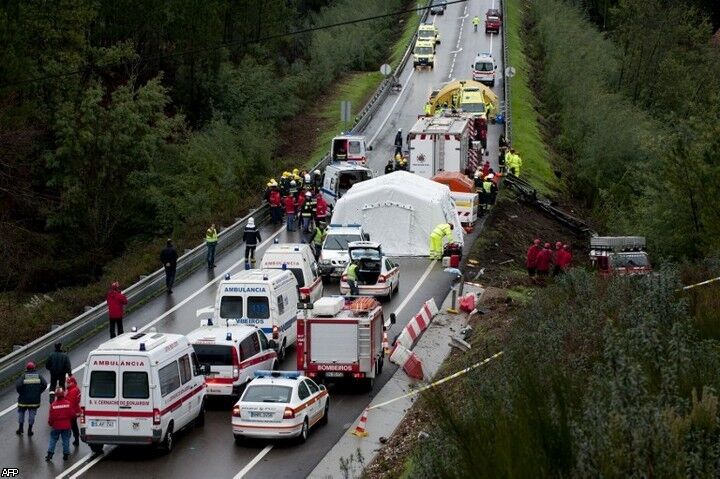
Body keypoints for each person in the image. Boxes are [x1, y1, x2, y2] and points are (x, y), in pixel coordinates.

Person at [16, 362, 47, 436]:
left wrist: (21, 393)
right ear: (34, 368)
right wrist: (39, 392)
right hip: (34, 400)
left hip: (23, 400)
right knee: (32, 415)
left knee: (21, 413)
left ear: (27, 368)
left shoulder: (23, 376)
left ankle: (20, 428)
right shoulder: (38, 376)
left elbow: (18, 385)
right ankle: (29, 430)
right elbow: (45, 384)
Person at [46, 388, 74, 461]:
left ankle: (50, 454)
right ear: (63, 394)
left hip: (56, 426)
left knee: (53, 439)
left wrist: (50, 423)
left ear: (56, 395)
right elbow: (72, 414)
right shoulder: (68, 403)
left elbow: (51, 417)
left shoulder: (53, 405)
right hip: (66, 425)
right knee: (66, 439)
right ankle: (66, 454)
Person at [65, 376, 81, 446]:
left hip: (71, 411)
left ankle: (70, 441)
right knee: (74, 426)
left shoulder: (72, 391)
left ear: (73, 382)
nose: (67, 384)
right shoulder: (74, 389)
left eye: (69, 382)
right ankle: (76, 439)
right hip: (75, 410)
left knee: (70, 426)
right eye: (67, 382)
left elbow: (70, 402)